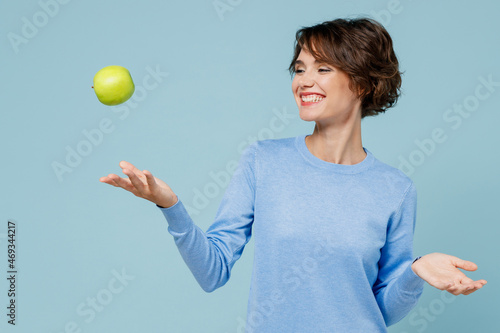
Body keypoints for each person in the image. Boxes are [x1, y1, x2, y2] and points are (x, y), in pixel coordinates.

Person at [100, 17, 487, 332]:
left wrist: (416, 271)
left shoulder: (396, 190)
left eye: (322, 68)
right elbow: (212, 273)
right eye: (299, 69)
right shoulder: (263, 161)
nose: (304, 81)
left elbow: (379, 311)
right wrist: (171, 206)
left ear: (364, 83)